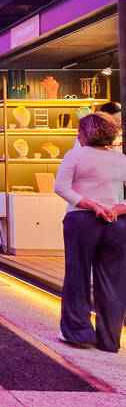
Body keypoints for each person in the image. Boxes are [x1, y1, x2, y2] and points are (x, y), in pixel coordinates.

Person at [54, 112, 126, 352]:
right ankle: (110, 340)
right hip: (116, 224)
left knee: (78, 274)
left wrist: (91, 204)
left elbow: (61, 187)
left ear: (85, 132)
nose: (78, 134)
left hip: (82, 221)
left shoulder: (75, 155)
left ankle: (78, 332)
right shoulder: (121, 159)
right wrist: (116, 208)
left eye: (79, 130)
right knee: (113, 281)